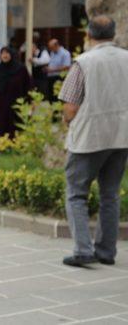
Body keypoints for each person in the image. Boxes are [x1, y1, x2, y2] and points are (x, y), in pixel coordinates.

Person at [58, 15, 128, 267]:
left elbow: (71, 106)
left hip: (90, 137)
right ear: (114, 33)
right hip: (121, 136)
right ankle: (107, 251)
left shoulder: (84, 62)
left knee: (76, 193)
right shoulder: (126, 58)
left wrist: (68, 123)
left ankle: (83, 249)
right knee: (110, 194)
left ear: (88, 34)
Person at [0, 46, 32, 139]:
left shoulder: (21, 70)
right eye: (2, 53)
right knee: (1, 128)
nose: (5, 55)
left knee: (16, 128)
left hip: (17, 105)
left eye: (7, 53)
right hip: (0, 106)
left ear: (12, 55)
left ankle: (16, 148)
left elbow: (28, 86)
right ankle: (2, 147)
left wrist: (29, 103)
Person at [44, 38, 71, 102]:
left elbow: (67, 66)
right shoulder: (52, 52)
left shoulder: (65, 53)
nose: (50, 49)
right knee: (51, 96)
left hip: (59, 77)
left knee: (58, 96)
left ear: (56, 45)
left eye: (51, 47)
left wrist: (52, 70)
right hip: (50, 77)